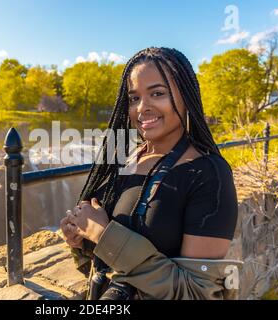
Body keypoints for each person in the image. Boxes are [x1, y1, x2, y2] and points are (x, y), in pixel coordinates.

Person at [59, 47, 242, 300]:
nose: (142, 108)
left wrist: (102, 234)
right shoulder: (125, 159)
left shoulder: (209, 174)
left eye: (157, 93)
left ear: (186, 97)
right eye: (134, 98)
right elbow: (105, 264)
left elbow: (197, 293)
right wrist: (80, 241)